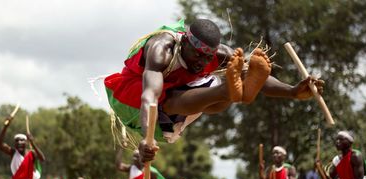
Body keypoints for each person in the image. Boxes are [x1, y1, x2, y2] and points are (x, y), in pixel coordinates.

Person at [103, 18, 324, 162]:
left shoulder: (220, 56)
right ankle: (227, 90)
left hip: (186, 98)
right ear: (185, 43)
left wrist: (293, 91)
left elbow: (259, 80)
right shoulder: (163, 49)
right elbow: (150, 95)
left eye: (207, 57)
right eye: (196, 55)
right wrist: (146, 138)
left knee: (235, 77)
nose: (201, 62)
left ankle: (228, 92)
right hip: (135, 99)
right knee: (168, 98)